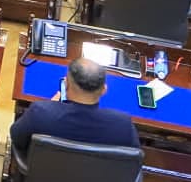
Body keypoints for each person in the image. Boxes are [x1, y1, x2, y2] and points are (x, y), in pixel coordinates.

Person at [8, 58, 139, 165]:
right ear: (104, 90)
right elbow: (133, 159)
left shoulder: (41, 112)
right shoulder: (123, 125)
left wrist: (50, 106)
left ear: (66, 84)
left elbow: (17, 137)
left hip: (45, 178)